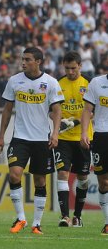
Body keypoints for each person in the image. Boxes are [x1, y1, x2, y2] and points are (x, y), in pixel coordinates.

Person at [0, 47, 64, 235]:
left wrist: (55, 133)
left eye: (27, 59)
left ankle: (36, 223)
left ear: (38, 61)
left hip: (42, 139)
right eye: (22, 59)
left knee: (40, 181)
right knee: (15, 175)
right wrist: (1, 136)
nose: (23, 62)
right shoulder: (14, 81)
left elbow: (57, 110)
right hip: (20, 139)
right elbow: (7, 110)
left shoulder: (50, 82)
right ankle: (21, 218)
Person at [53, 51, 92, 227]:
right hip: (63, 138)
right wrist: (60, 122)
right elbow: (51, 109)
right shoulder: (58, 84)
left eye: (73, 68)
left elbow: (93, 110)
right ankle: (64, 217)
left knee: (83, 178)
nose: (70, 72)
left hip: (83, 137)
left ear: (80, 66)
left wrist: (75, 121)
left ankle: (77, 216)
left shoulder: (89, 84)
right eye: (67, 68)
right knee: (62, 173)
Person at [80, 73, 108, 235]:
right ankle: (107, 222)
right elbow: (87, 110)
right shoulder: (97, 83)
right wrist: (84, 132)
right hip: (101, 137)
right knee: (103, 182)